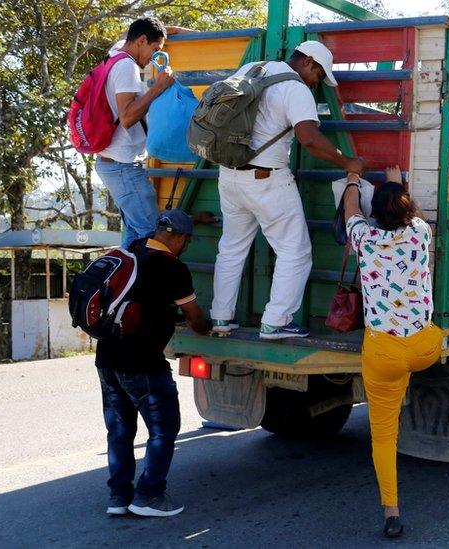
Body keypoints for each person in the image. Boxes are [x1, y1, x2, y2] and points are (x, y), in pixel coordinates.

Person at [209, 41, 365, 339]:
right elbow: (309, 138)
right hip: (266, 180)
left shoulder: (251, 70)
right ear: (308, 62)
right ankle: (276, 322)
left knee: (230, 248)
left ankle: (221, 318)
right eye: (319, 74)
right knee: (295, 251)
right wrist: (349, 162)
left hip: (229, 175)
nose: (317, 82)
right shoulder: (295, 88)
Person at [343, 167, 441, 539]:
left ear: (375, 213)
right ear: (406, 208)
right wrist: (398, 180)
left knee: (383, 435)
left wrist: (354, 179)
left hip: (384, 352)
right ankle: (406, 385)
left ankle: (392, 510)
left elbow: (351, 211)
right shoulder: (420, 233)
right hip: (423, 347)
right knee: (435, 334)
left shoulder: (364, 238)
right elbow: (407, 213)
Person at [95, 210, 211, 517]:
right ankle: (149, 495)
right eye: (186, 239)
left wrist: (195, 219)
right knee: (163, 429)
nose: (185, 246)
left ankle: (119, 497)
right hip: (142, 362)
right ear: (180, 239)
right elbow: (196, 318)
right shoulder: (172, 268)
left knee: (119, 430)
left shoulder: (131, 250)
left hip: (106, 357)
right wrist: (209, 327)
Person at [94, 18, 193, 249]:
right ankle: (142, 284)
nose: (153, 57)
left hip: (112, 163)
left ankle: (125, 283)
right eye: (155, 49)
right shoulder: (127, 66)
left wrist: (177, 30)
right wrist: (159, 86)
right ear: (141, 41)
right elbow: (128, 117)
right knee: (152, 238)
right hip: (123, 166)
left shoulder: (116, 52)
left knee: (134, 235)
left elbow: (128, 32)